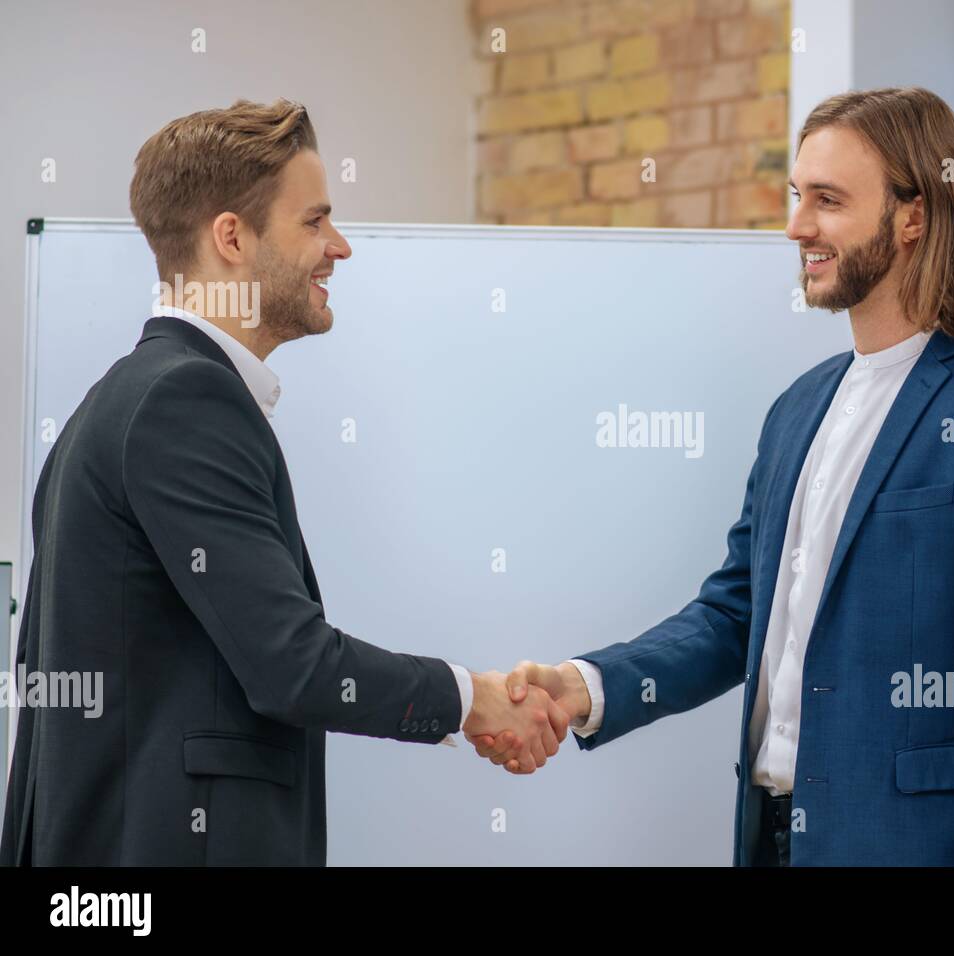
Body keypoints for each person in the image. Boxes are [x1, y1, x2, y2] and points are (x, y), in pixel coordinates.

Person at [470, 88, 954, 867]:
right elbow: (736, 616)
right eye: (798, 197)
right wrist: (582, 687)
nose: (798, 226)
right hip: (769, 841)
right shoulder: (797, 410)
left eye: (828, 201)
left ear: (914, 215)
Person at [0, 99, 567, 866]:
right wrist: (470, 699)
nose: (339, 247)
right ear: (232, 237)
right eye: (314, 222)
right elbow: (294, 668)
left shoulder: (119, 402)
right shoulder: (183, 402)